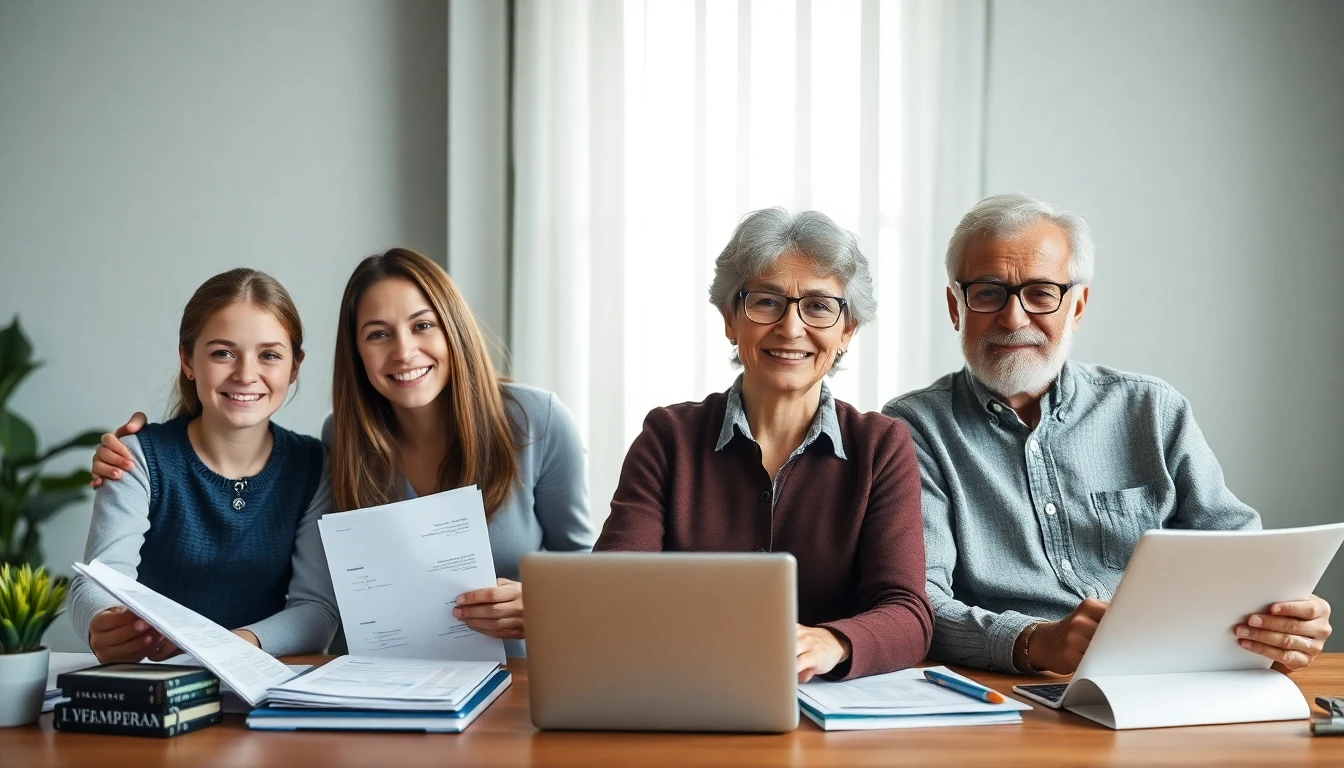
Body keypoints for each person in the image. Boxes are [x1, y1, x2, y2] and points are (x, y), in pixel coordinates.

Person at [883, 192, 1332, 675]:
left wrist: (1286, 616)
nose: (1014, 319)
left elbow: (1244, 560)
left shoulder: (1153, 410)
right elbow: (917, 604)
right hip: (1019, 690)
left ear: (1077, 306)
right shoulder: (912, 429)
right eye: (989, 292)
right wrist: (1033, 642)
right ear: (956, 307)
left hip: (1175, 673)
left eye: (1040, 293)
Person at [91, 248, 595, 655]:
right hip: (379, 684)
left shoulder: (540, 422)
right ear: (356, 352)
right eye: (378, 335)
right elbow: (328, 599)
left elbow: (590, 572)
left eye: (423, 325)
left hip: (519, 683)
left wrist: (545, 604)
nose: (403, 352)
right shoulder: (343, 440)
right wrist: (141, 451)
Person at [596, 208, 933, 682]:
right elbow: (613, 588)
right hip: (686, 693)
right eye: (766, 302)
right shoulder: (667, 437)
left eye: (818, 306)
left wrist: (831, 642)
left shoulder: (882, 446)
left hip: (825, 714)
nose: (791, 328)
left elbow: (907, 614)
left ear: (847, 331)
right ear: (730, 320)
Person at [70, 269, 334, 662]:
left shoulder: (313, 465)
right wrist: (102, 619)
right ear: (188, 360)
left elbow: (317, 610)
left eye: (269, 355)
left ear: (294, 367)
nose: (246, 374)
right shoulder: (139, 457)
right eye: (223, 353)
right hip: (158, 685)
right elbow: (97, 579)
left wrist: (228, 647)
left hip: (263, 688)